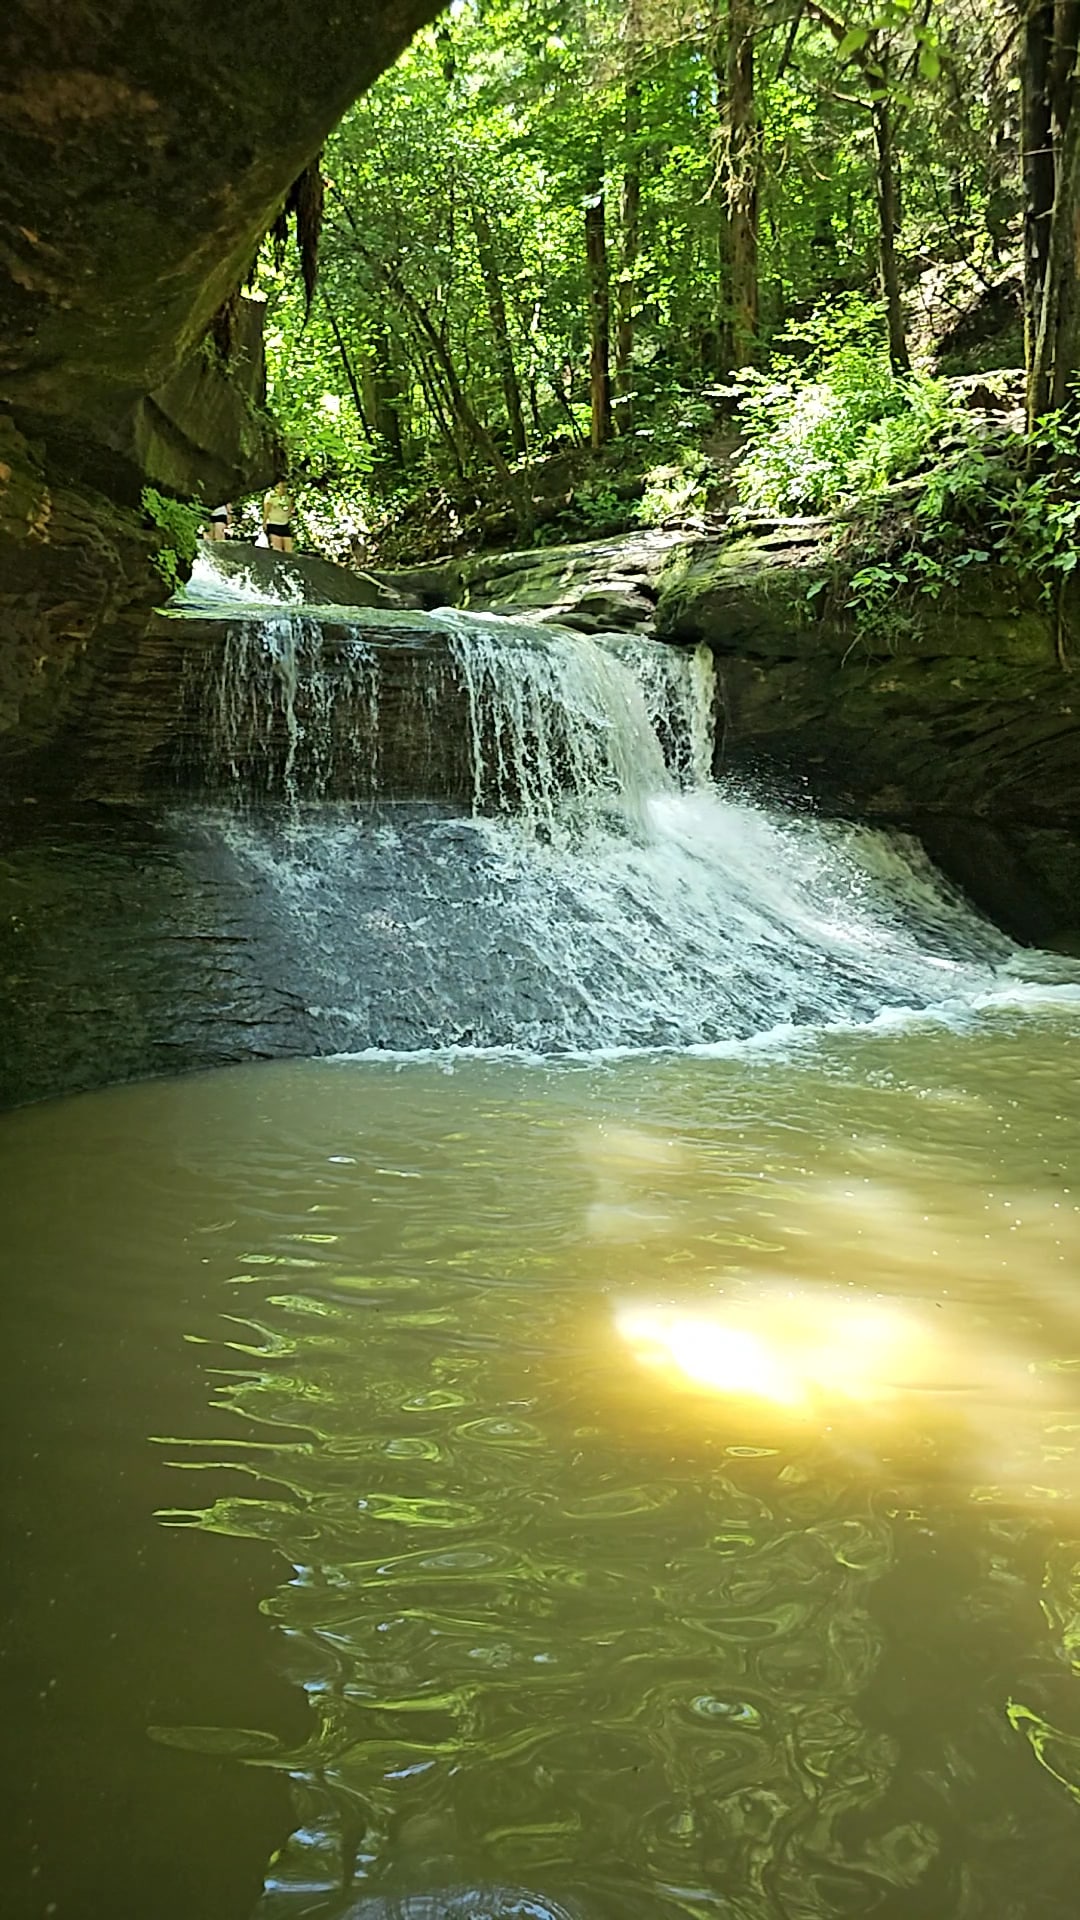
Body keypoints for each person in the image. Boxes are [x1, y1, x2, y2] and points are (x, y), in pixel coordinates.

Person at [262, 478, 295, 552]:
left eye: (285, 487)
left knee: (289, 550)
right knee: (277, 549)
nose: (283, 489)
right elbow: (266, 511)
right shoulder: (270, 496)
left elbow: (290, 512)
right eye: (281, 487)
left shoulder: (287, 497)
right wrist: (264, 523)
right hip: (274, 523)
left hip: (284, 524)